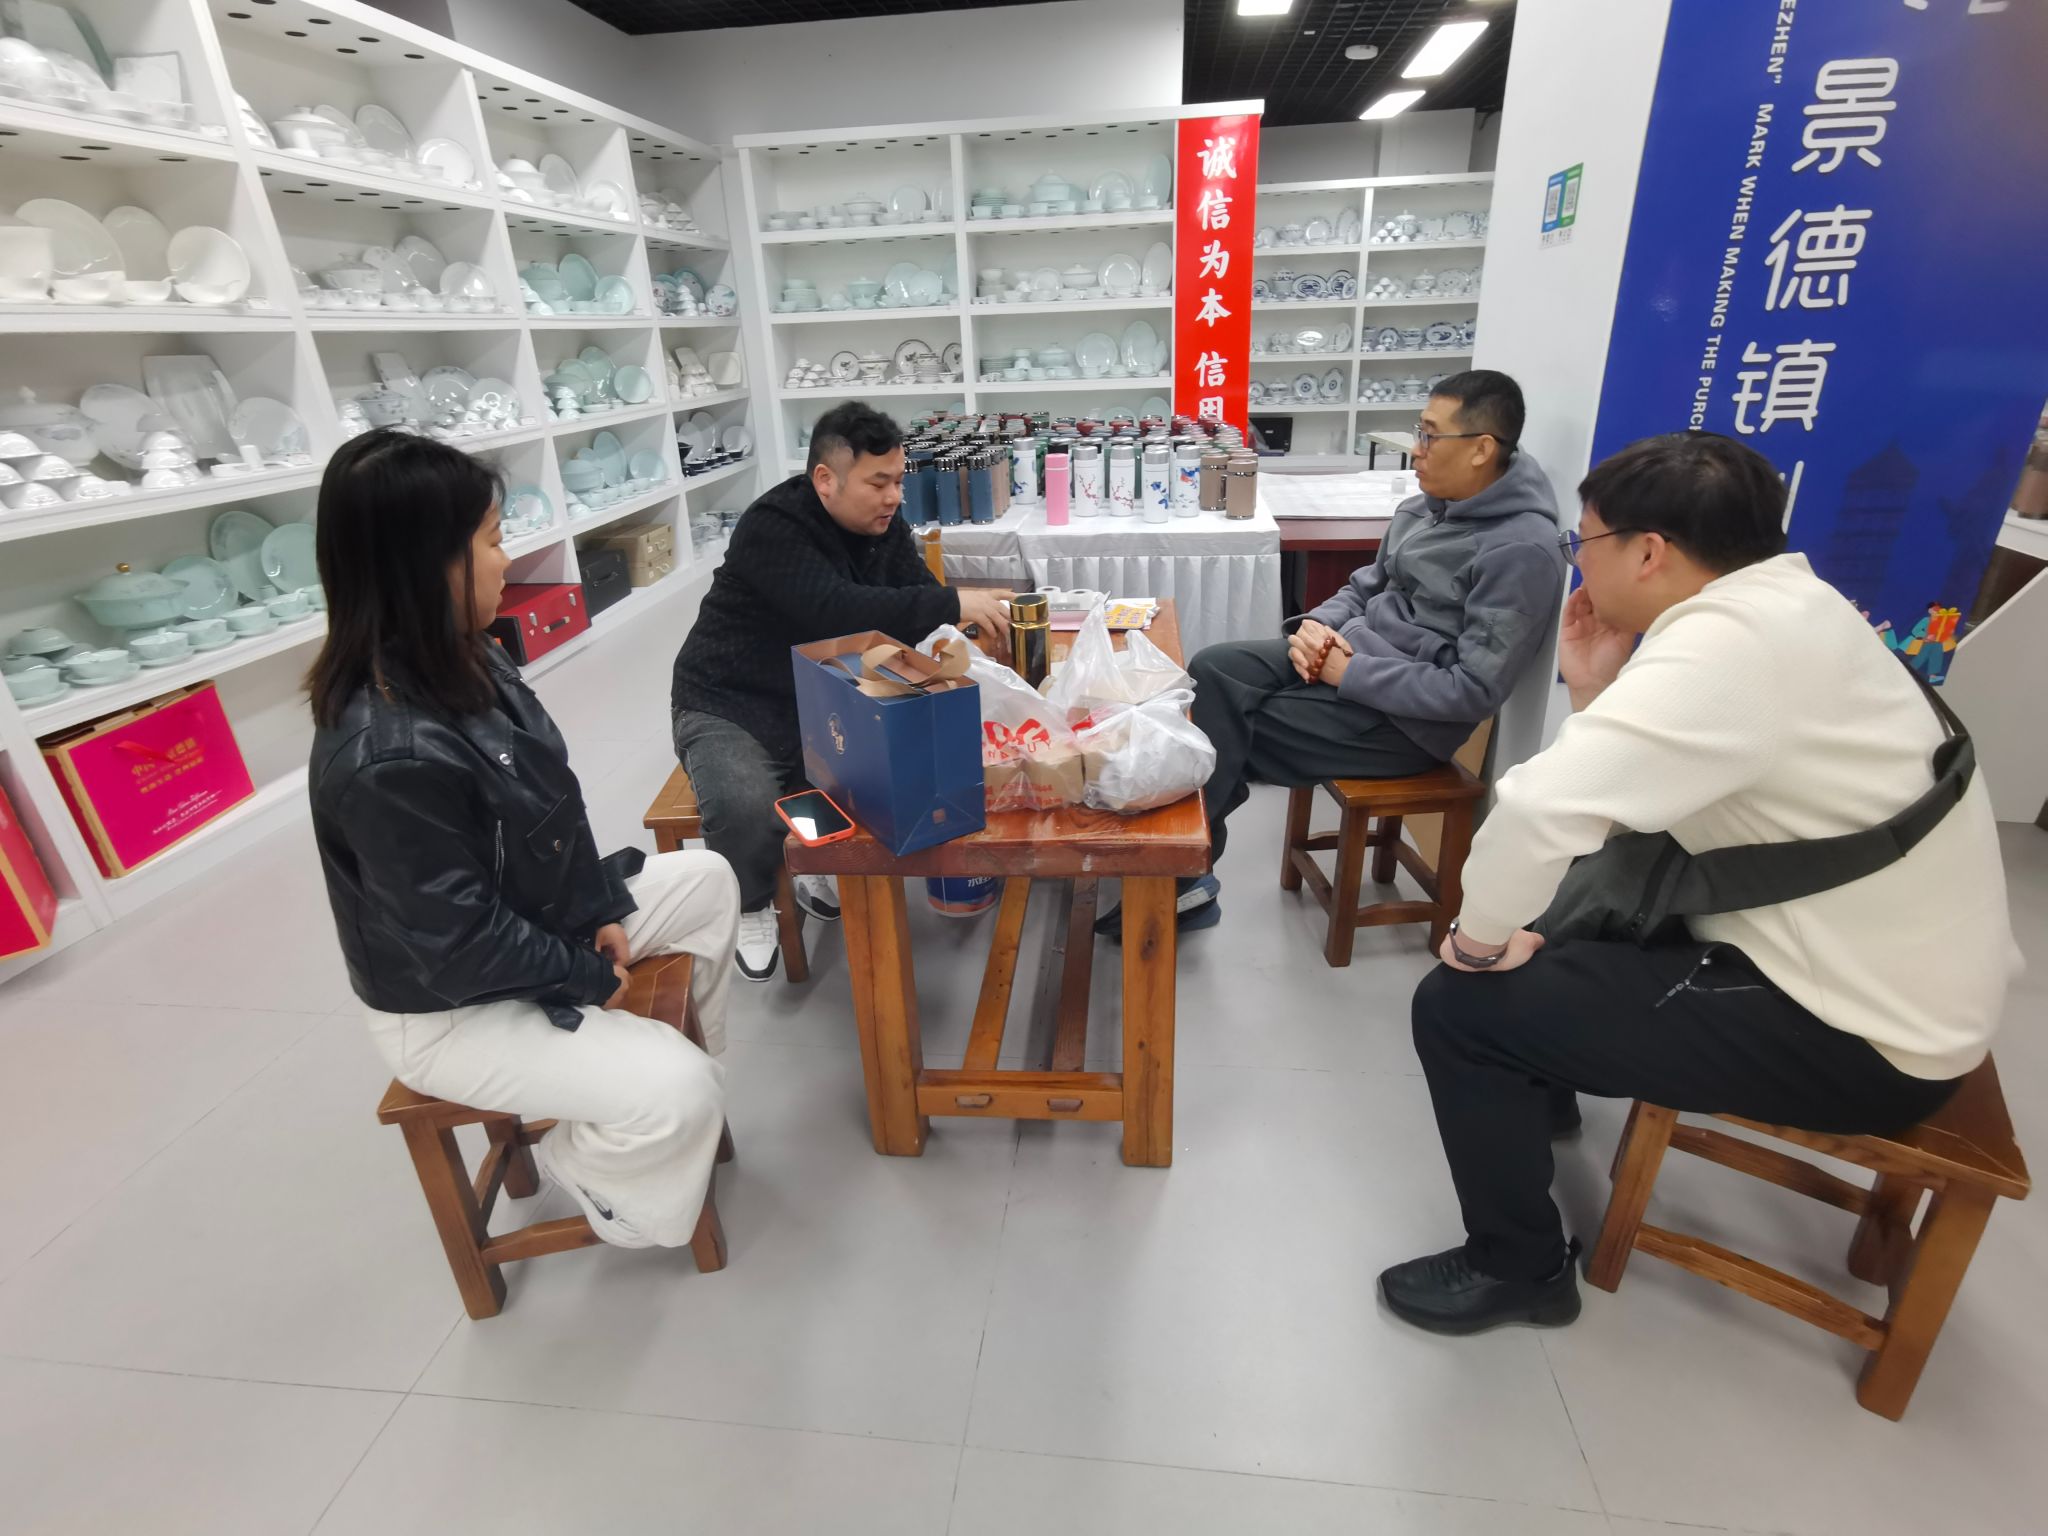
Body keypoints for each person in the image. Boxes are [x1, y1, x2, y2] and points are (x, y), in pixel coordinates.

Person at [1380, 432, 2019, 1335]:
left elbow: (1537, 811)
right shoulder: (1795, 606)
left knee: (1458, 1007)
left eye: (1584, 542)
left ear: (1649, 552)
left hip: (1869, 1037)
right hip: (1895, 975)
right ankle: (1538, 1081)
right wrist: (1595, 691)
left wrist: (1476, 944)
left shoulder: (1729, 649)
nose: (1578, 562)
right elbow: (1635, 801)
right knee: (1574, 899)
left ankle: (1520, 1267)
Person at [308, 431, 739, 1251]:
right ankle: (602, 1165)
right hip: (449, 1009)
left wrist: (597, 907)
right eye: (493, 540)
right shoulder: (385, 756)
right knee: (678, 1092)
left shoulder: (464, 655)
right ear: (425, 565)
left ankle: (666, 1098)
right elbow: (460, 948)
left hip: (529, 921)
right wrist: (586, 974)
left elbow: (553, 806)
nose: (508, 561)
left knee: (707, 877)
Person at [1101, 370, 1565, 938]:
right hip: (1347, 663)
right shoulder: (1425, 507)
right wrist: (1317, 627)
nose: (1416, 450)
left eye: (1429, 435)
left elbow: (1473, 690)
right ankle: (1184, 871)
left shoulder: (1521, 552)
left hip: (1405, 725)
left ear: (1481, 449)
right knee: (1214, 669)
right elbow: (1364, 588)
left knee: (1221, 732)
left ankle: (1177, 877)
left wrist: (1349, 672)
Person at [670, 401, 1013, 980]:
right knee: (743, 806)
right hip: (729, 699)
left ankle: (814, 865)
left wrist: (961, 634)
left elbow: (914, 595)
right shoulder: (773, 526)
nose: (894, 497)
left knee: (875, 782)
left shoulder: (882, 525)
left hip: (821, 693)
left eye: (898, 480)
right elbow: (832, 611)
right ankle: (751, 904)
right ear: (826, 479)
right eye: (878, 483)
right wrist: (953, 601)